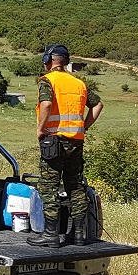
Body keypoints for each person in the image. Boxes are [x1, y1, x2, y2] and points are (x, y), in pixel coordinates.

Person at [28, 44, 103, 247]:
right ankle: (79, 234)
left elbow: (46, 104)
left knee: (48, 186)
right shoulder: (79, 84)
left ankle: (51, 234)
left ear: (47, 60)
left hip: (54, 140)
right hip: (76, 141)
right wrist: (83, 127)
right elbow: (98, 105)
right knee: (75, 186)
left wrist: (40, 129)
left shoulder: (47, 81)